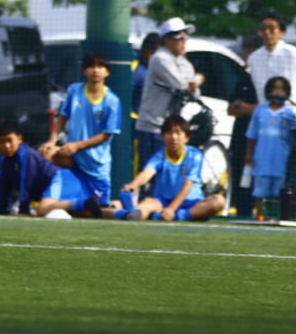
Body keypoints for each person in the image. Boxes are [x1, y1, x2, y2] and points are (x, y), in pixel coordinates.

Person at [36, 51, 122, 217]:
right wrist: (52, 141)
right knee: (45, 153)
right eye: (91, 66)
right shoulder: (74, 91)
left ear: (107, 72)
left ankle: (123, 209)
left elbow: (106, 135)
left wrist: (77, 145)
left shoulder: (112, 101)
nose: (95, 70)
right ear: (84, 70)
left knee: (94, 213)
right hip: (72, 163)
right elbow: (62, 117)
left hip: (96, 168)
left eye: (100, 66)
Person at [109, 114, 225, 221]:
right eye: (169, 133)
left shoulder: (195, 156)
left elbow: (187, 186)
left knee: (218, 201)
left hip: (191, 203)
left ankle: (175, 216)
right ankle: (132, 214)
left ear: (187, 137)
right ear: (163, 136)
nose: (173, 137)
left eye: (178, 133)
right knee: (146, 204)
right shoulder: (159, 155)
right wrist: (133, 185)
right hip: (162, 202)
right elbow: (147, 173)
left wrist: (171, 209)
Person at [135, 17, 204, 165]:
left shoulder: (184, 62)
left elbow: (195, 93)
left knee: (170, 171)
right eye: (179, 37)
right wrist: (196, 80)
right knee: (150, 172)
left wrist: (195, 82)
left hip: (171, 128)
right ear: (167, 39)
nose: (184, 41)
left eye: (185, 37)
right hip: (153, 126)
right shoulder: (160, 58)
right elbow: (180, 84)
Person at [240, 14, 296, 120]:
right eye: (263, 29)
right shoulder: (254, 58)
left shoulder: (294, 55)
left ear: (282, 32)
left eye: (271, 28)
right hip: (267, 117)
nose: (267, 32)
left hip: (294, 116)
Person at [245, 75, 296, 220]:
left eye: (282, 89)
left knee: (277, 190)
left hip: (280, 160)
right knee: (260, 190)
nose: (278, 92)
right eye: (275, 89)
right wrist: (249, 155)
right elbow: (251, 135)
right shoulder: (260, 111)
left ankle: (273, 216)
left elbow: (294, 139)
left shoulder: (290, 115)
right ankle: (260, 215)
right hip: (262, 158)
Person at [227, 32, 263, 217]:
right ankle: (242, 211)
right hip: (240, 135)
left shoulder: (265, 78)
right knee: (240, 173)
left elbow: (266, 108)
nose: (245, 56)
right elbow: (231, 108)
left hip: (261, 136)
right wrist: (247, 108)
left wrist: (247, 108)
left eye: (249, 51)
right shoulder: (243, 77)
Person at [0, 118, 58, 215]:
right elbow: (3, 187)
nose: (7, 145)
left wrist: (24, 209)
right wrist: (1, 210)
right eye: (2, 142)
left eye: (10, 140)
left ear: (20, 139)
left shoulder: (27, 155)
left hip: (58, 187)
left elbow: (26, 183)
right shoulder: (5, 160)